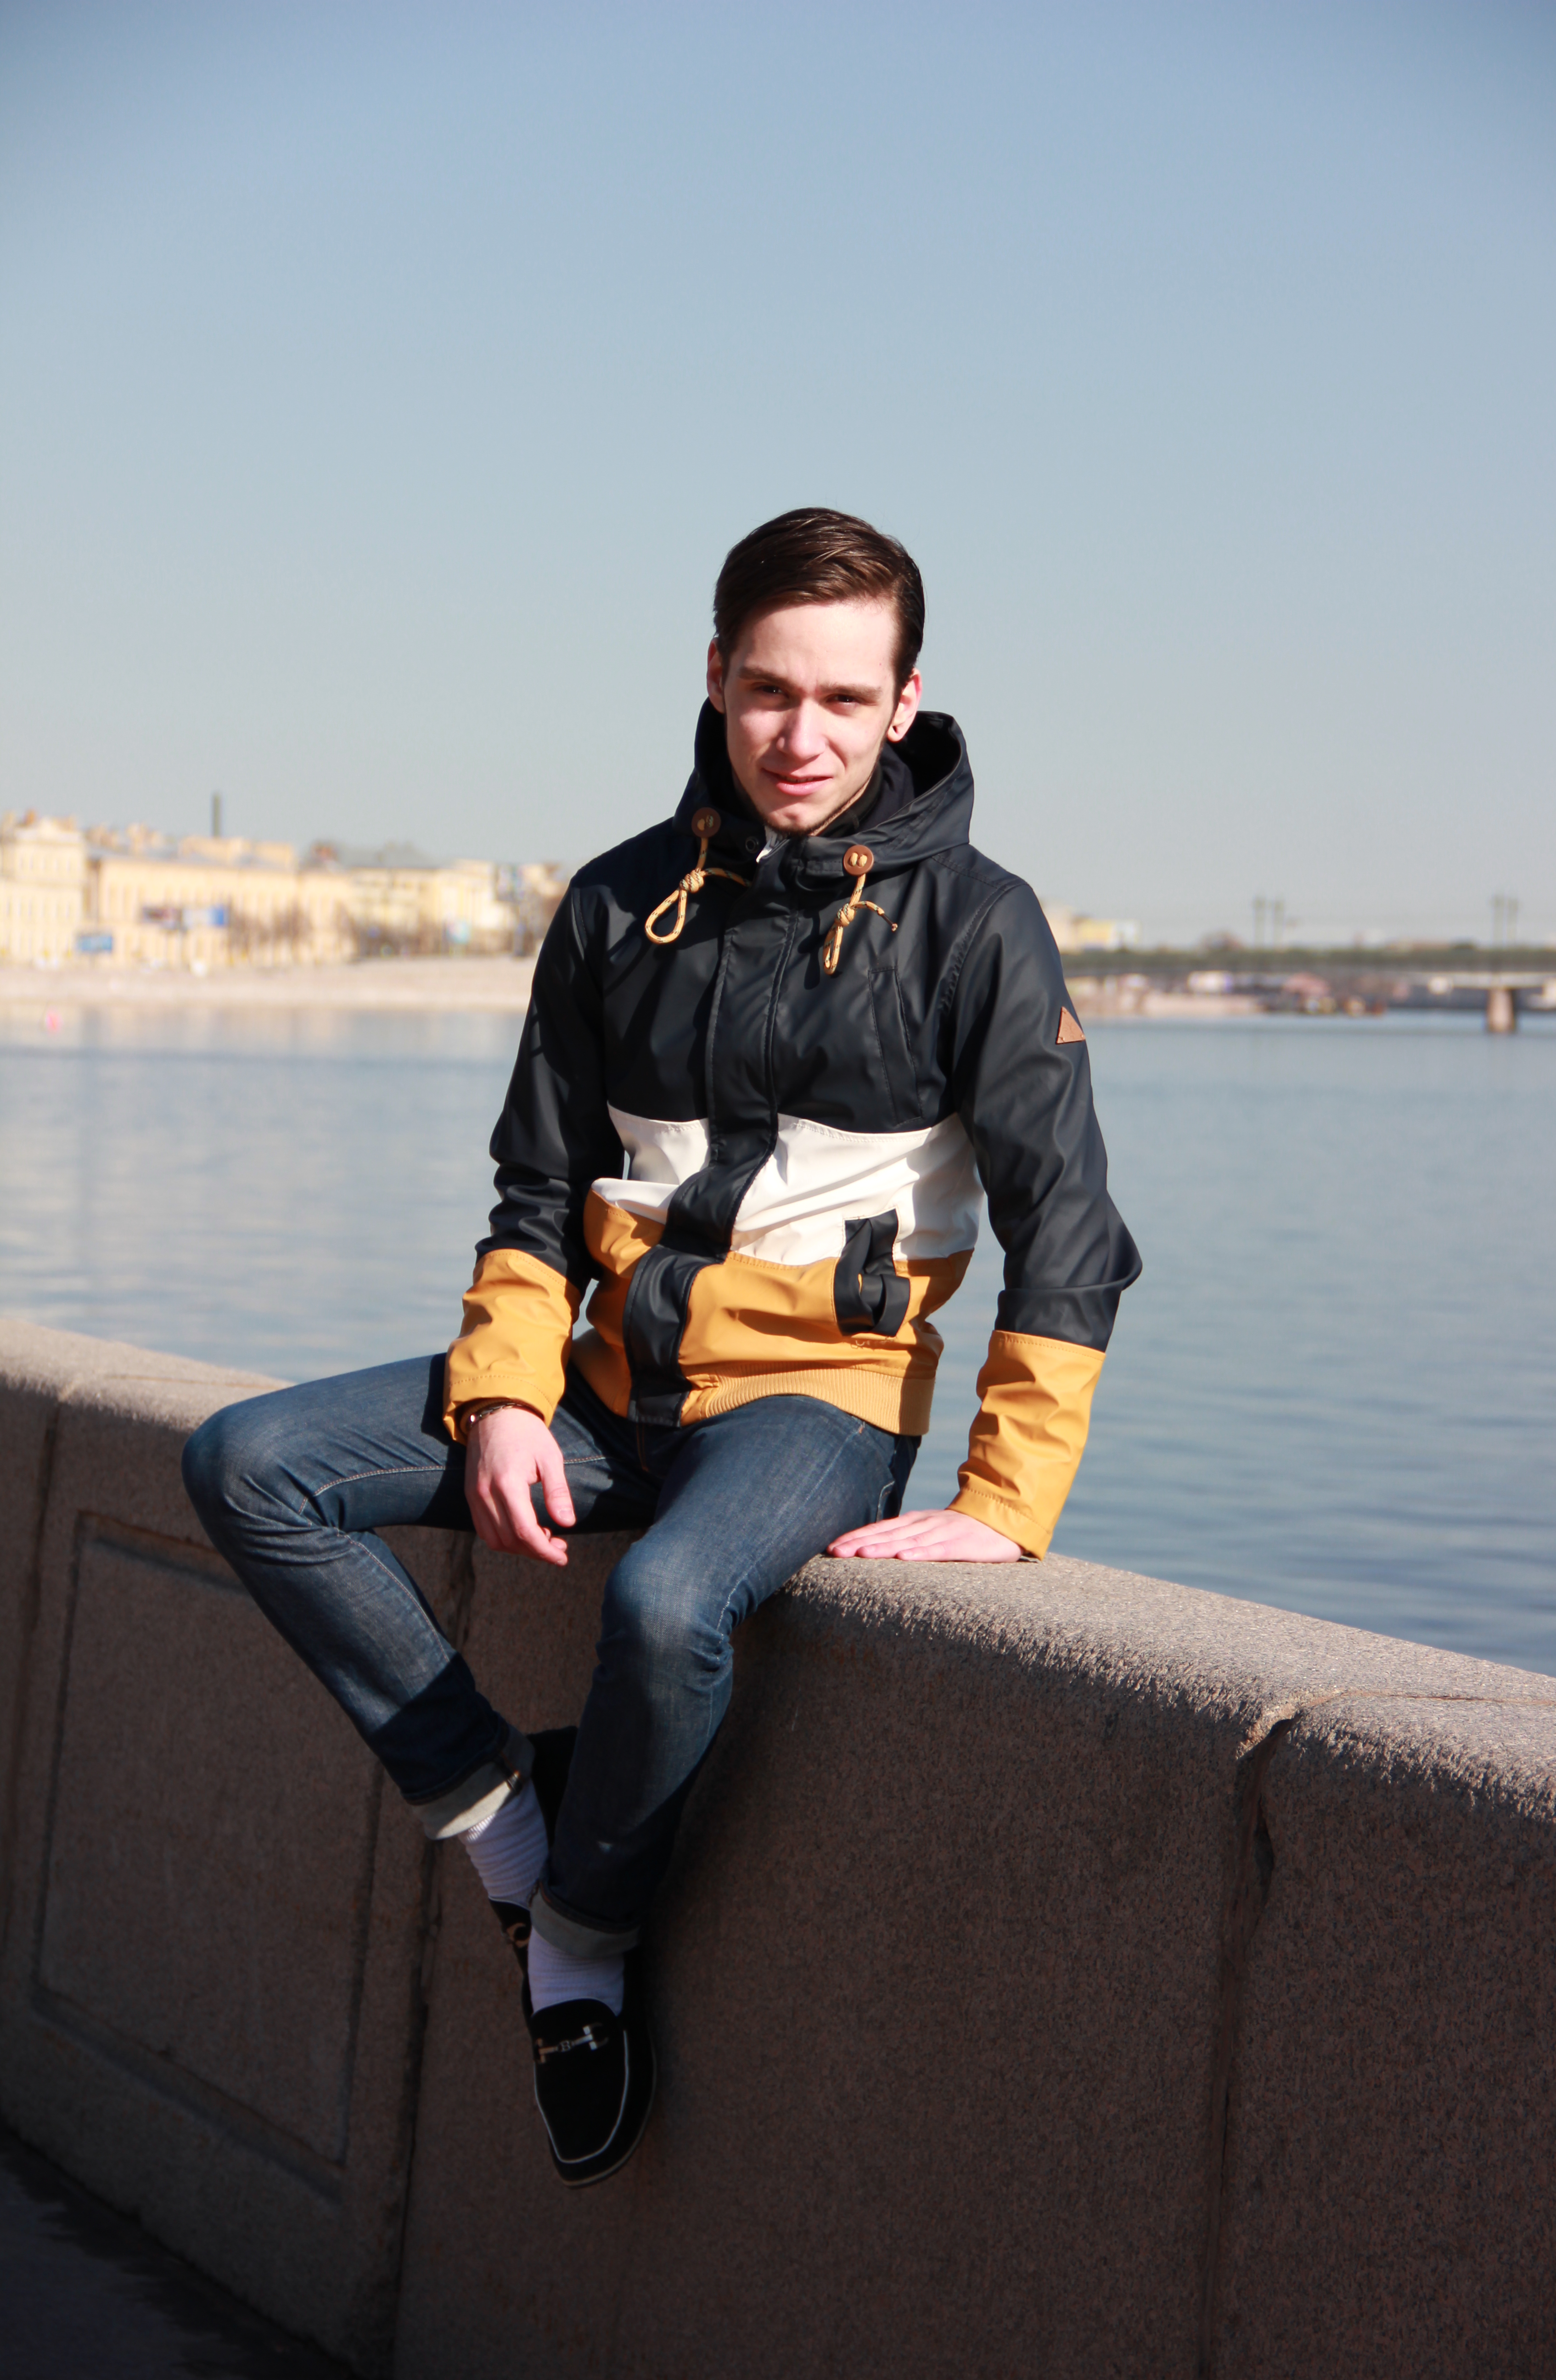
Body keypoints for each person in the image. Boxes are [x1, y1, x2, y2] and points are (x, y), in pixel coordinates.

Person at [183, 508, 1140, 2188]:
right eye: (770, 690)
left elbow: (1069, 1235)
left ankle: (579, 1947)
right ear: (715, 676)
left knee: (666, 1603)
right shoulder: (619, 901)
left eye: (844, 699)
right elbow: (536, 1193)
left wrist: (1006, 1502)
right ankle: (505, 1819)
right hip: (603, 1385)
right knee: (249, 1465)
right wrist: (503, 1399)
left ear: (906, 701)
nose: (802, 736)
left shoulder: (981, 927)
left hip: (817, 1406)